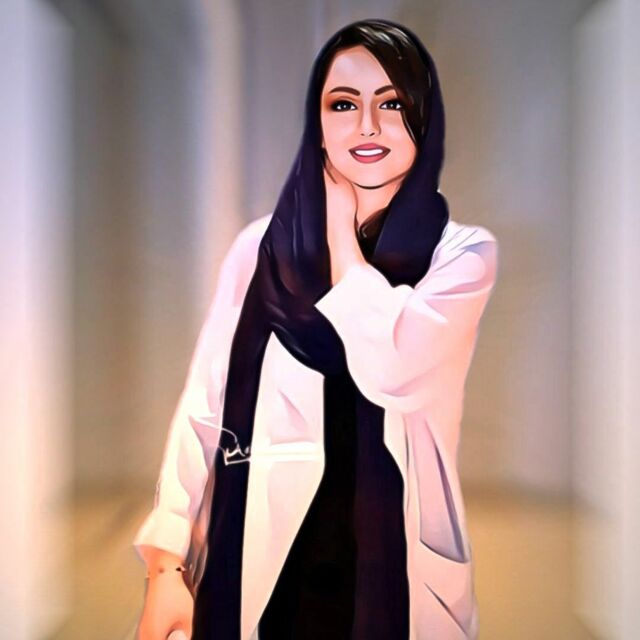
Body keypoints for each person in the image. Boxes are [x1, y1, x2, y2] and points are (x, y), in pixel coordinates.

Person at [134, 18, 498, 640]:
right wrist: (167, 563)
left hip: (391, 571)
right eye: (343, 104)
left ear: (424, 119)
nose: (367, 126)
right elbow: (205, 405)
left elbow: (393, 366)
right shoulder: (260, 248)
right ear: (318, 122)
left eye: (392, 104)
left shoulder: (461, 255)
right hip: (266, 555)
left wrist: (340, 241)